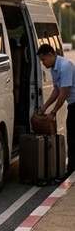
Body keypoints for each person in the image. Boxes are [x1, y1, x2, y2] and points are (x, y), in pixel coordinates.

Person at [36, 43, 75, 175]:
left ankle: (71, 170)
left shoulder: (65, 67)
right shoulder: (54, 69)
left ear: (51, 55)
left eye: (43, 60)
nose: (43, 63)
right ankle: (71, 169)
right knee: (71, 137)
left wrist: (53, 112)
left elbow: (64, 91)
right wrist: (45, 107)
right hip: (73, 104)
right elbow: (57, 90)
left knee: (73, 137)